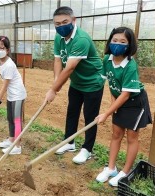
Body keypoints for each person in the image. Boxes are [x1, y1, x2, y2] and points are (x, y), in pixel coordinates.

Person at [45, 6, 105, 164]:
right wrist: (56, 82)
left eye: (65, 22)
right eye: (57, 24)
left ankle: (87, 149)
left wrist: (53, 89)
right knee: (72, 112)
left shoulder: (81, 39)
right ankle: (69, 142)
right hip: (77, 82)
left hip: (92, 81)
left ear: (74, 20)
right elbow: (58, 59)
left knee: (90, 116)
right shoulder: (58, 37)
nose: (61, 26)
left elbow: (70, 67)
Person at [95, 27, 152, 187]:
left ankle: (125, 172)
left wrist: (106, 113)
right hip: (119, 100)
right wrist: (113, 104)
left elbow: (126, 94)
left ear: (129, 45)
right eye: (114, 40)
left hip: (134, 103)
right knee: (116, 134)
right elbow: (111, 83)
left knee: (131, 137)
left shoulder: (130, 66)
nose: (117, 44)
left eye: (122, 42)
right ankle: (111, 168)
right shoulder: (107, 59)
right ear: (109, 41)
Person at [0, 36, 27, 155]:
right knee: (10, 118)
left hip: (17, 95)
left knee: (17, 120)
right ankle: (12, 139)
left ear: (7, 50)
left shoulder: (9, 65)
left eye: (1, 48)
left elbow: (5, 85)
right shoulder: (0, 60)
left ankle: (17, 146)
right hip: (11, 95)